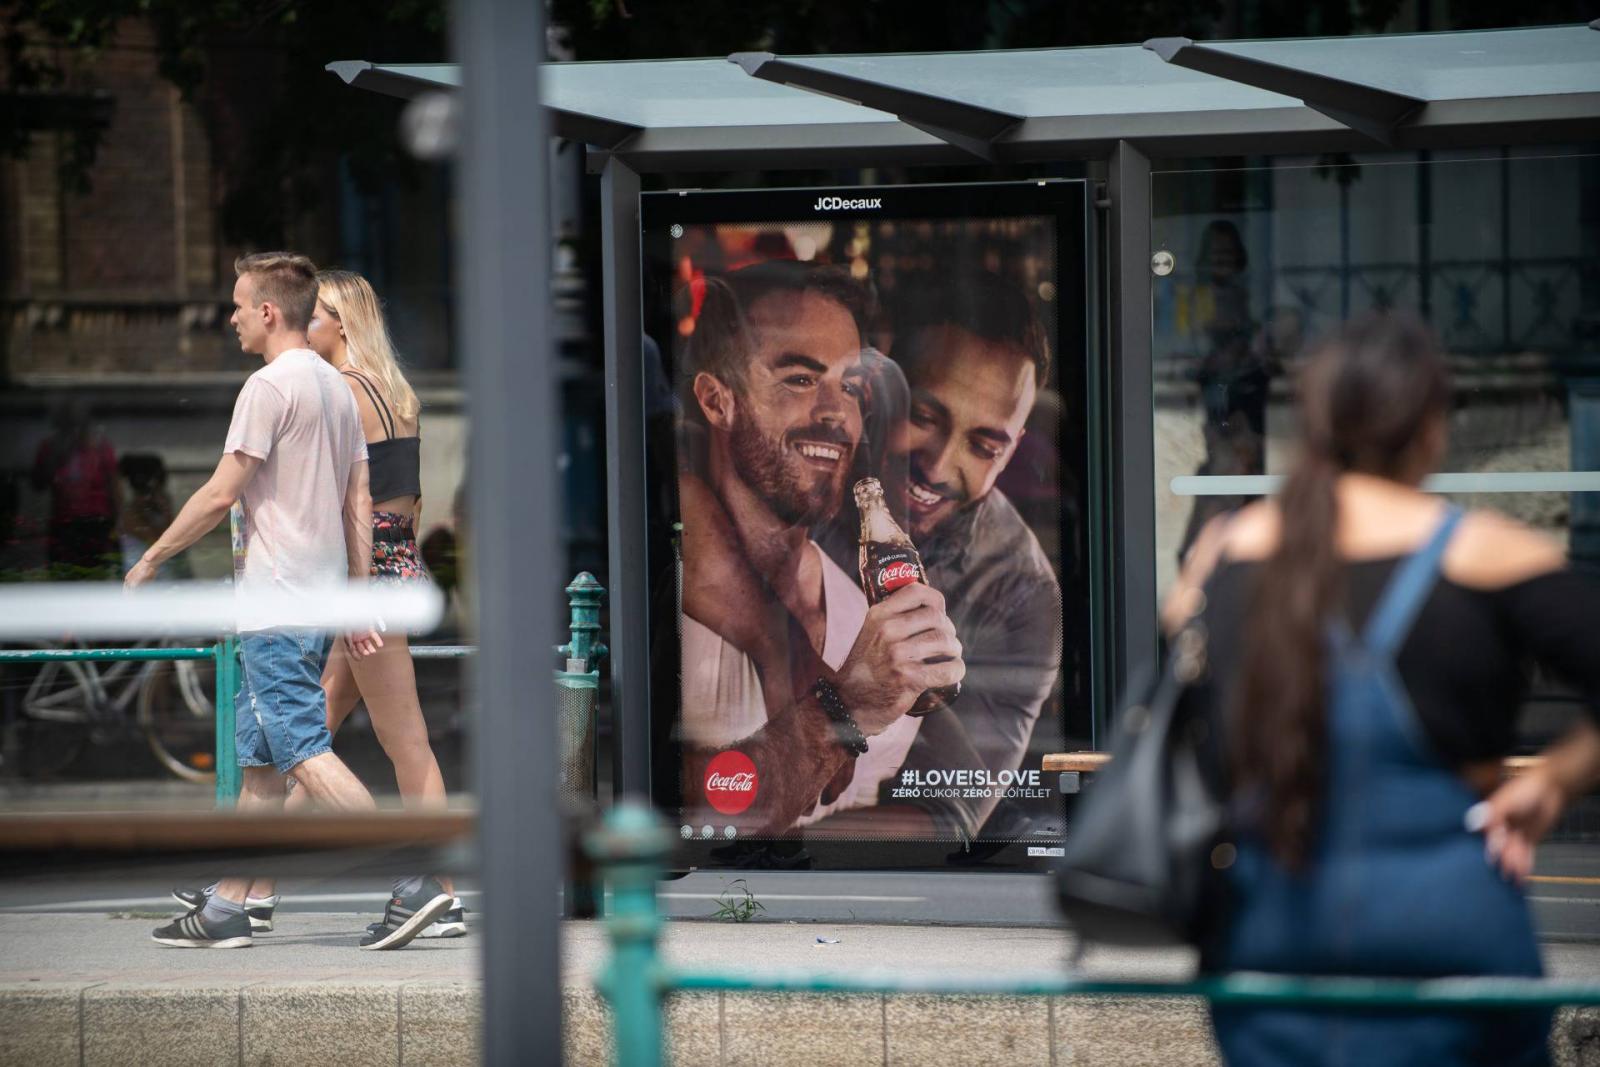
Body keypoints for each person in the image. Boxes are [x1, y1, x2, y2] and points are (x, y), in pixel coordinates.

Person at [1165, 312, 1600, 1065]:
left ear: (1317, 425)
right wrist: (1556, 781)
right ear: (1431, 428)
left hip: (1269, 938)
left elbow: (1182, 720)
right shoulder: (1484, 553)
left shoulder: (1226, 555)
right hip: (1455, 932)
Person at [129, 252, 453, 950]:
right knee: (260, 765)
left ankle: (410, 873)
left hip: (276, 604)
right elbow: (359, 502)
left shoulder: (269, 387)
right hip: (311, 603)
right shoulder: (338, 390)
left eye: (241, 305)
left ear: (270, 311)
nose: (233, 317)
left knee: (305, 752)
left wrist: (153, 555)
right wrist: (355, 594)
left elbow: (220, 492)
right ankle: (229, 905)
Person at [675, 261, 965, 835]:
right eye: (801, 379)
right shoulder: (669, 597)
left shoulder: (863, 605)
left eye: (851, 386)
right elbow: (702, 820)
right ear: (716, 399)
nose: (837, 413)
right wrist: (845, 709)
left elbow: (950, 815)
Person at [864, 271, 1062, 843]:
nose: (938, 463)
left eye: (982, 445)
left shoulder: (1024, 592)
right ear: (881, 387)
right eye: (923, 417)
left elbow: (947, 819)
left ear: (1012, 451)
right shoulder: (807, 469)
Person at [296, 268, 463, 938]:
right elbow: (411, 502)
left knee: (405, 741)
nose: (303, 328)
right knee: (310, 730)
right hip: (394, 562)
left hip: (363, 575)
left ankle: (441, 888)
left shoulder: (341, 390)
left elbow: (345, 504)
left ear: (340, 322)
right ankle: (239, 881)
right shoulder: (398, 392)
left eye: (313, 316)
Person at [32, 399, 120, 578]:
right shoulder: (50, 447)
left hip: (97, 524)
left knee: (96, 576)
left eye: (78, 421)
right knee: (63, 576)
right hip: (64, 525)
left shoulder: (100, 447)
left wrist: (118, 523)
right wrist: (56, 456)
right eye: (69, 421)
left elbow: (115, 487)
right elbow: (38, 484)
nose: (74, 427)